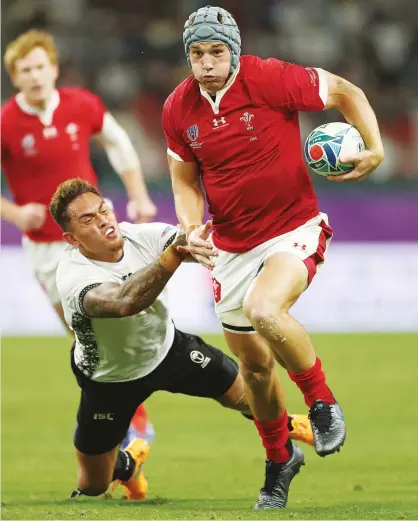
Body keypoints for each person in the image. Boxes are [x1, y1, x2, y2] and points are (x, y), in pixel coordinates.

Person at [162, 5, 384, 509]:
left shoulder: (271, 77)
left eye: (216, 52)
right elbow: (184, 180)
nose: (206, 63)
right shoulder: (178, 109)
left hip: (292, 229)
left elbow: (348, 92)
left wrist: (374, 148)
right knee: (256, 372)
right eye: (196, 54)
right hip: (230, 249)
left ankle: (322, 403)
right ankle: (279, 458)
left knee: (266, 310)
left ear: (234, 52)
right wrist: (190, 227)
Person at [49, 178, 313, 500]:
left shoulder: (140, 236)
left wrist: (229, 235)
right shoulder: (73, 275)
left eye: (103, 210)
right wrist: (175, 252)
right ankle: (129, 463)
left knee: (248, 394)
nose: (103, 219)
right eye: (88, 219)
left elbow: (193, 242)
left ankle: (284, 433)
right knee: (93, 485)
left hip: (168, 351)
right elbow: (123, 303)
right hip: (108, 378)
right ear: (71, 238)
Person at [0, 30, 156, 465]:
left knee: (116, 324)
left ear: (54, 68)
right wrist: (13, 213)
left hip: (95, 243)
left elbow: (118, 142)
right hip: (47, 251)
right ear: (14, 77)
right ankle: (127, 418)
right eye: (24, 69)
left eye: (40, 66)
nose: (34, 75)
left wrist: (138, 192)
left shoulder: (81, 105)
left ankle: (133, 420)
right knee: (84, 339)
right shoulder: (5, 123)